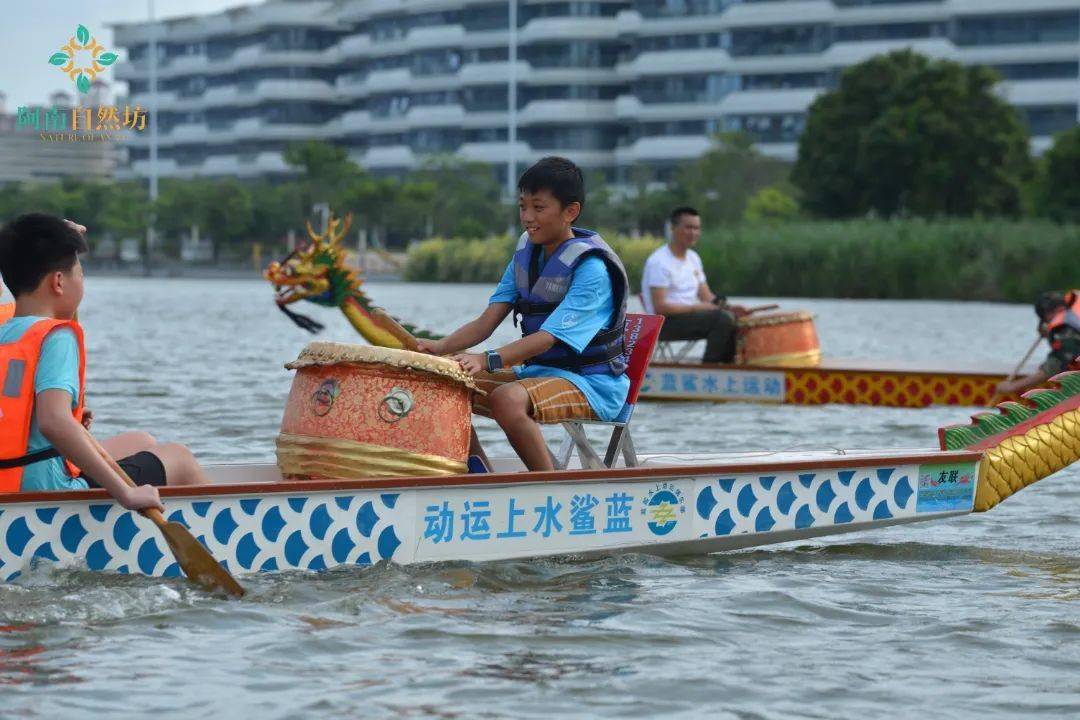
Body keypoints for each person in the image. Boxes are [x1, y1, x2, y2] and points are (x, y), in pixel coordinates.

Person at [416, 157, 629, 472]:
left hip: (593, 384)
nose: (527, 218)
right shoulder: (526, 256)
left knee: (507, 400)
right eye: (522, 207)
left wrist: (486, 359)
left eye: (538, 208)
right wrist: (436, 349)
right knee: (442, 382)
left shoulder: (593, 270)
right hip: (539, 372)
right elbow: (486, 322)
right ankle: (478, 475)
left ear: (571, 212)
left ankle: (548, 487)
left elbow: (545, 340)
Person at [0, 213, 211, 510]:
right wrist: (126, 492)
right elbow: (53, 422)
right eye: (80, 273)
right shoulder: (57, 338)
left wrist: (61, 237)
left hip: (10, 478)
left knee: (142, 440)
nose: (82, 280)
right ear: (59, 282)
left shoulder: (7, 328)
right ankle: (211, 545)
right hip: (46, 491)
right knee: (180, 458)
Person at [640, 206, 747, 363]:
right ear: (673, 228)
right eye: (688, 227)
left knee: (732, 318)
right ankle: (710, 369)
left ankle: (727, 368)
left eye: (696, 228)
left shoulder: (693, 258)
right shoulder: (659, 261)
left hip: (690, 317)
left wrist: (728, 307)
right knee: (722, 320)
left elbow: (707, 297)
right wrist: (698, 307)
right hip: (664, 323)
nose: (693, 233)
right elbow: (660, 307)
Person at [996, 290, 1080, 396]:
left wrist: (1013, 386)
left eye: (1044, 319)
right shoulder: (1072, 316)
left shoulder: (1064, 330)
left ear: (1057, 310)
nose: (1046, 324)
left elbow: (1054, 367)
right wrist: (1050, 331)